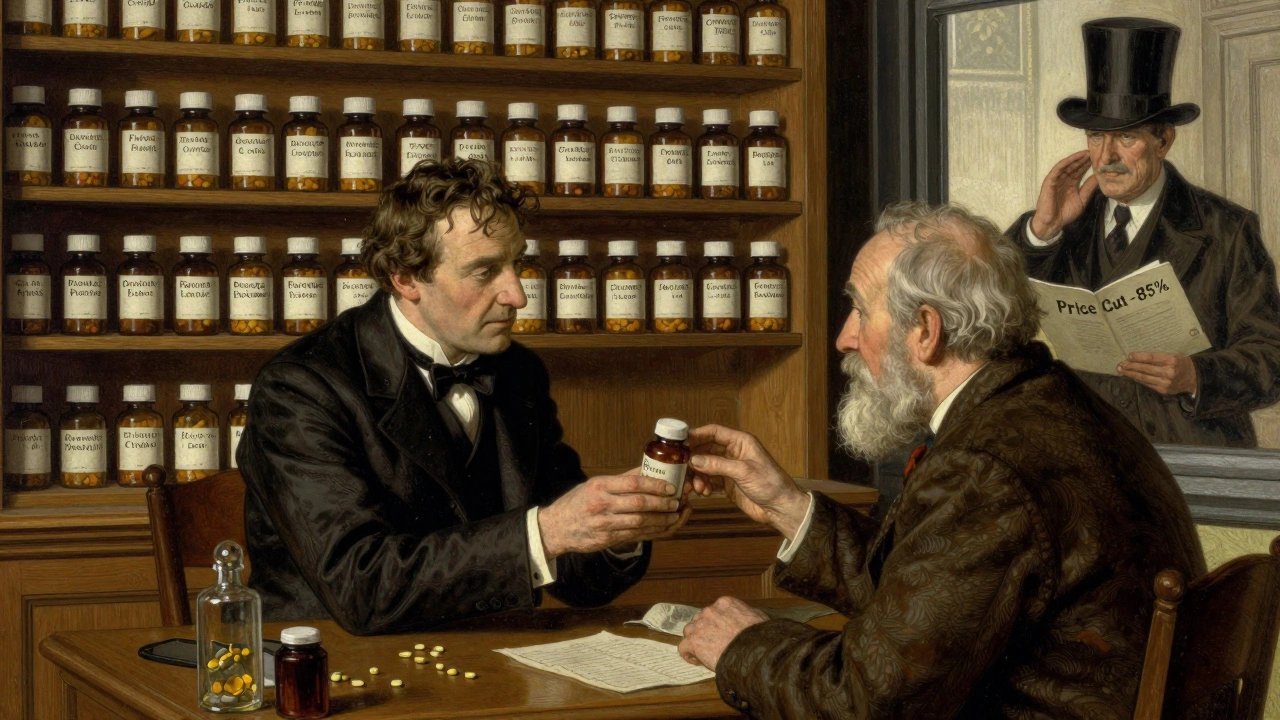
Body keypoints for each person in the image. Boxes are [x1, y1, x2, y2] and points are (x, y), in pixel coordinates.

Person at [678, 201, 1207, 718]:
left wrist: (743, 646)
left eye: (861, 311)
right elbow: (927, 601)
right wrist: (788, 506)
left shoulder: (984, 469)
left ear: (926, 332)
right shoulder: (1047, 404)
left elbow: (867, 700)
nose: (844, 338)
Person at [238, 158, 689, 635]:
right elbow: (360, 588)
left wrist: (621, 528)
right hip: (330, 663)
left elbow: (581, 584)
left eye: (518, 264)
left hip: (491, 657)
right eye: (484, 271)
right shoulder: (301, 387)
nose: (517, 295)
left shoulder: (519, 372)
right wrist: (549, 530)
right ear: (405, 277)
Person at [1009, 17, 1280, 447]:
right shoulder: (1063, 221)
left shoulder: (1225, 228)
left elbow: (1272, 357)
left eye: (1127, 137)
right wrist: (1042, 229)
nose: (1107, 155)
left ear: (1163, 140)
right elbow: (996, 311)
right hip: (1088, 455)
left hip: (1189, 458)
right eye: (1096, 136)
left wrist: (1196, 375)